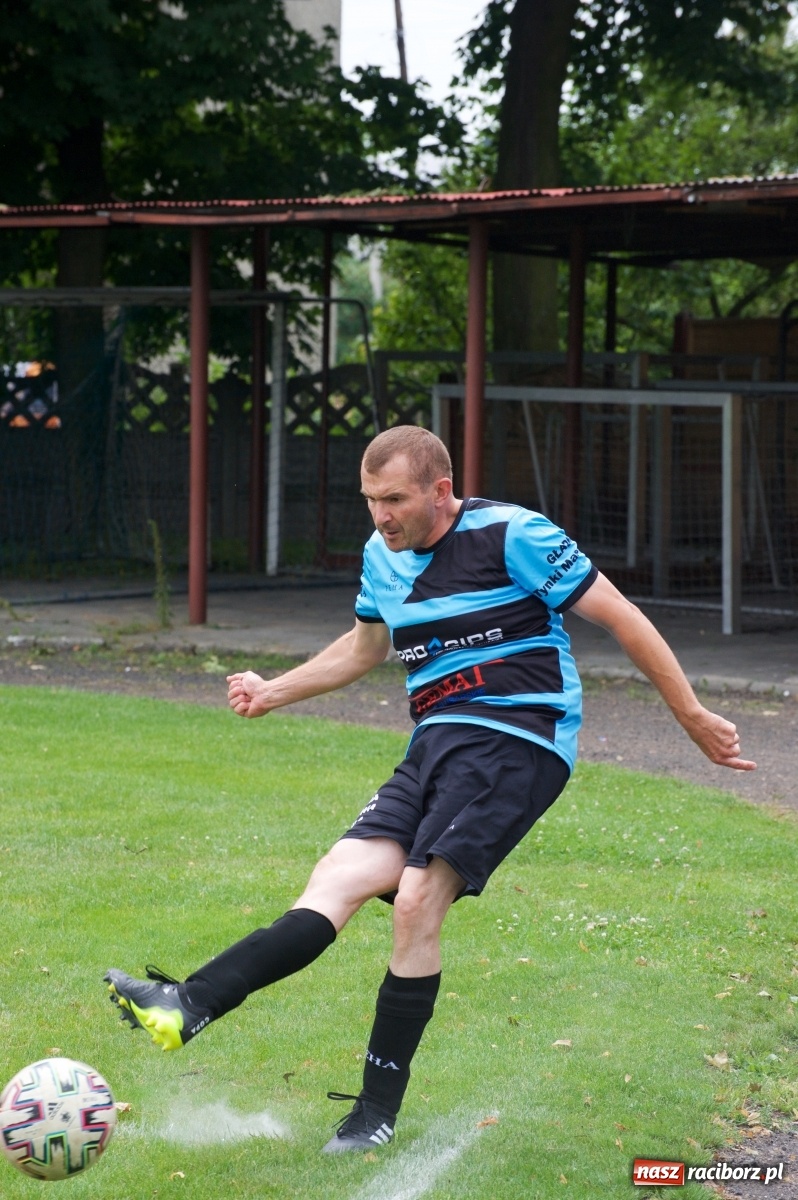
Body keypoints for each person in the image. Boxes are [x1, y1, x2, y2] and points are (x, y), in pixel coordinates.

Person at [104, 425, 755, 1153]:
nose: (381, 515)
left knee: (416, 899)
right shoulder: (382, 557)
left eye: (395, 499)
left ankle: (374, 1112)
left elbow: (623, 617)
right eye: (370, 500)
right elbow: (363, 647)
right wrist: (271, 690)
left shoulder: (514, 534)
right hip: (435, 743)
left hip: (520, 740)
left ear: (440, 491)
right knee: (339, 878)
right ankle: (187, 1003)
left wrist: (691, 715)